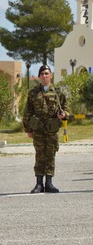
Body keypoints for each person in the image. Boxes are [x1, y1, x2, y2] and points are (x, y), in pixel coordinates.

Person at [23, 64, 68, 193]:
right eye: (42, 74)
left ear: (51, 76)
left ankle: (49, 183)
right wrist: (28, 129)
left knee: (50, 156)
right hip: (38, 130)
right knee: (39, 156)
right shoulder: (33, 93)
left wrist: (63, 115)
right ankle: (38, 184)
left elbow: (66, 109)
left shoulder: (58, 93)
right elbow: (27, 112)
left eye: (47, 73)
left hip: (52, 130)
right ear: (39, 76)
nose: (44, 76)